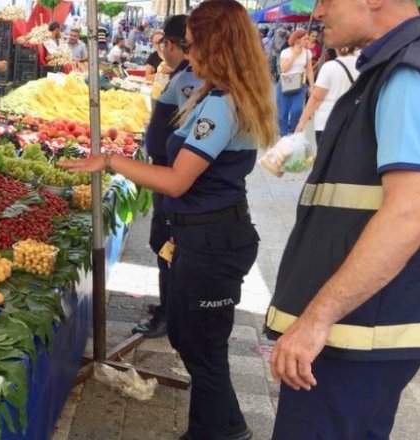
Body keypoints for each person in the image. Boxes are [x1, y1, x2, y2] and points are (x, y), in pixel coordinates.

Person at [61, 2, 276, 438]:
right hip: (205, 235)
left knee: (202, 349)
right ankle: (230, 427)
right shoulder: (218, 95)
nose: (187, 55)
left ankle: (212, 432)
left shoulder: (223, 105)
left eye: (193, 45)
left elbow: (177, 181)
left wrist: (111, 161)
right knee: (194, 342)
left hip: (211, 240)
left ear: (217, 46)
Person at [266, 1, 420, 438]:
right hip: (362, 326)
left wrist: (317, 318)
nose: (318, 12)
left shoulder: (406, 73)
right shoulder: (389, 67)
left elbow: (410, 212)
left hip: (356, 330)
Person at [131, 14, 202, 339]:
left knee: (166, 242)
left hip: (172, 175)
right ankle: (170, 307)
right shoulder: (183, 74)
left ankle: (172, 314)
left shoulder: (191, 78)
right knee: (164, 242)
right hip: (167, 170)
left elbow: (191, 128)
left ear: (170, 44)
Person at [294, 47, 359, 144]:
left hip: (327, 121)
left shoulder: (329, 67)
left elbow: (316, 98)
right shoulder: (362, 66)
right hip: (353, 120)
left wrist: (303, 120)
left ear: (336, 48)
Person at [276, 29, 315, 135]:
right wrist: (294, 55)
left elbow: (309, 70)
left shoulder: (307, 53)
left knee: (296, 111)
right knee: (283, 112)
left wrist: (312, 86)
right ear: (297, 40)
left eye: (308, 38)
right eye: (305, 39)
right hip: (285, 85)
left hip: (300, 85)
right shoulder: (285, 52)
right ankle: (284, 135)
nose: (308, 41)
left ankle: (292, 131)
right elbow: (283, 69)